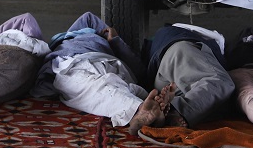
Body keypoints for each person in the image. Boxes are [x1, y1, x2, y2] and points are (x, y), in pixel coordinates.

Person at [31, 12, 176, 135]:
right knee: (108, 86)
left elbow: (88, 18)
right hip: (92, 64)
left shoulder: (99, 43)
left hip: (97, 64)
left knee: (101, 88)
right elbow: (88, 20)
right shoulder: (67, 43)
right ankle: (147, 109)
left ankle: (143, 109)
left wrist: (116, 41)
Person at [143, 23, 235, 129]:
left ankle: (167, 109)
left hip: (162, 79)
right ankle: (175, 110)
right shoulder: (181, 31)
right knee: (221, 83)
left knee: (216, 100)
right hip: (178, 53)